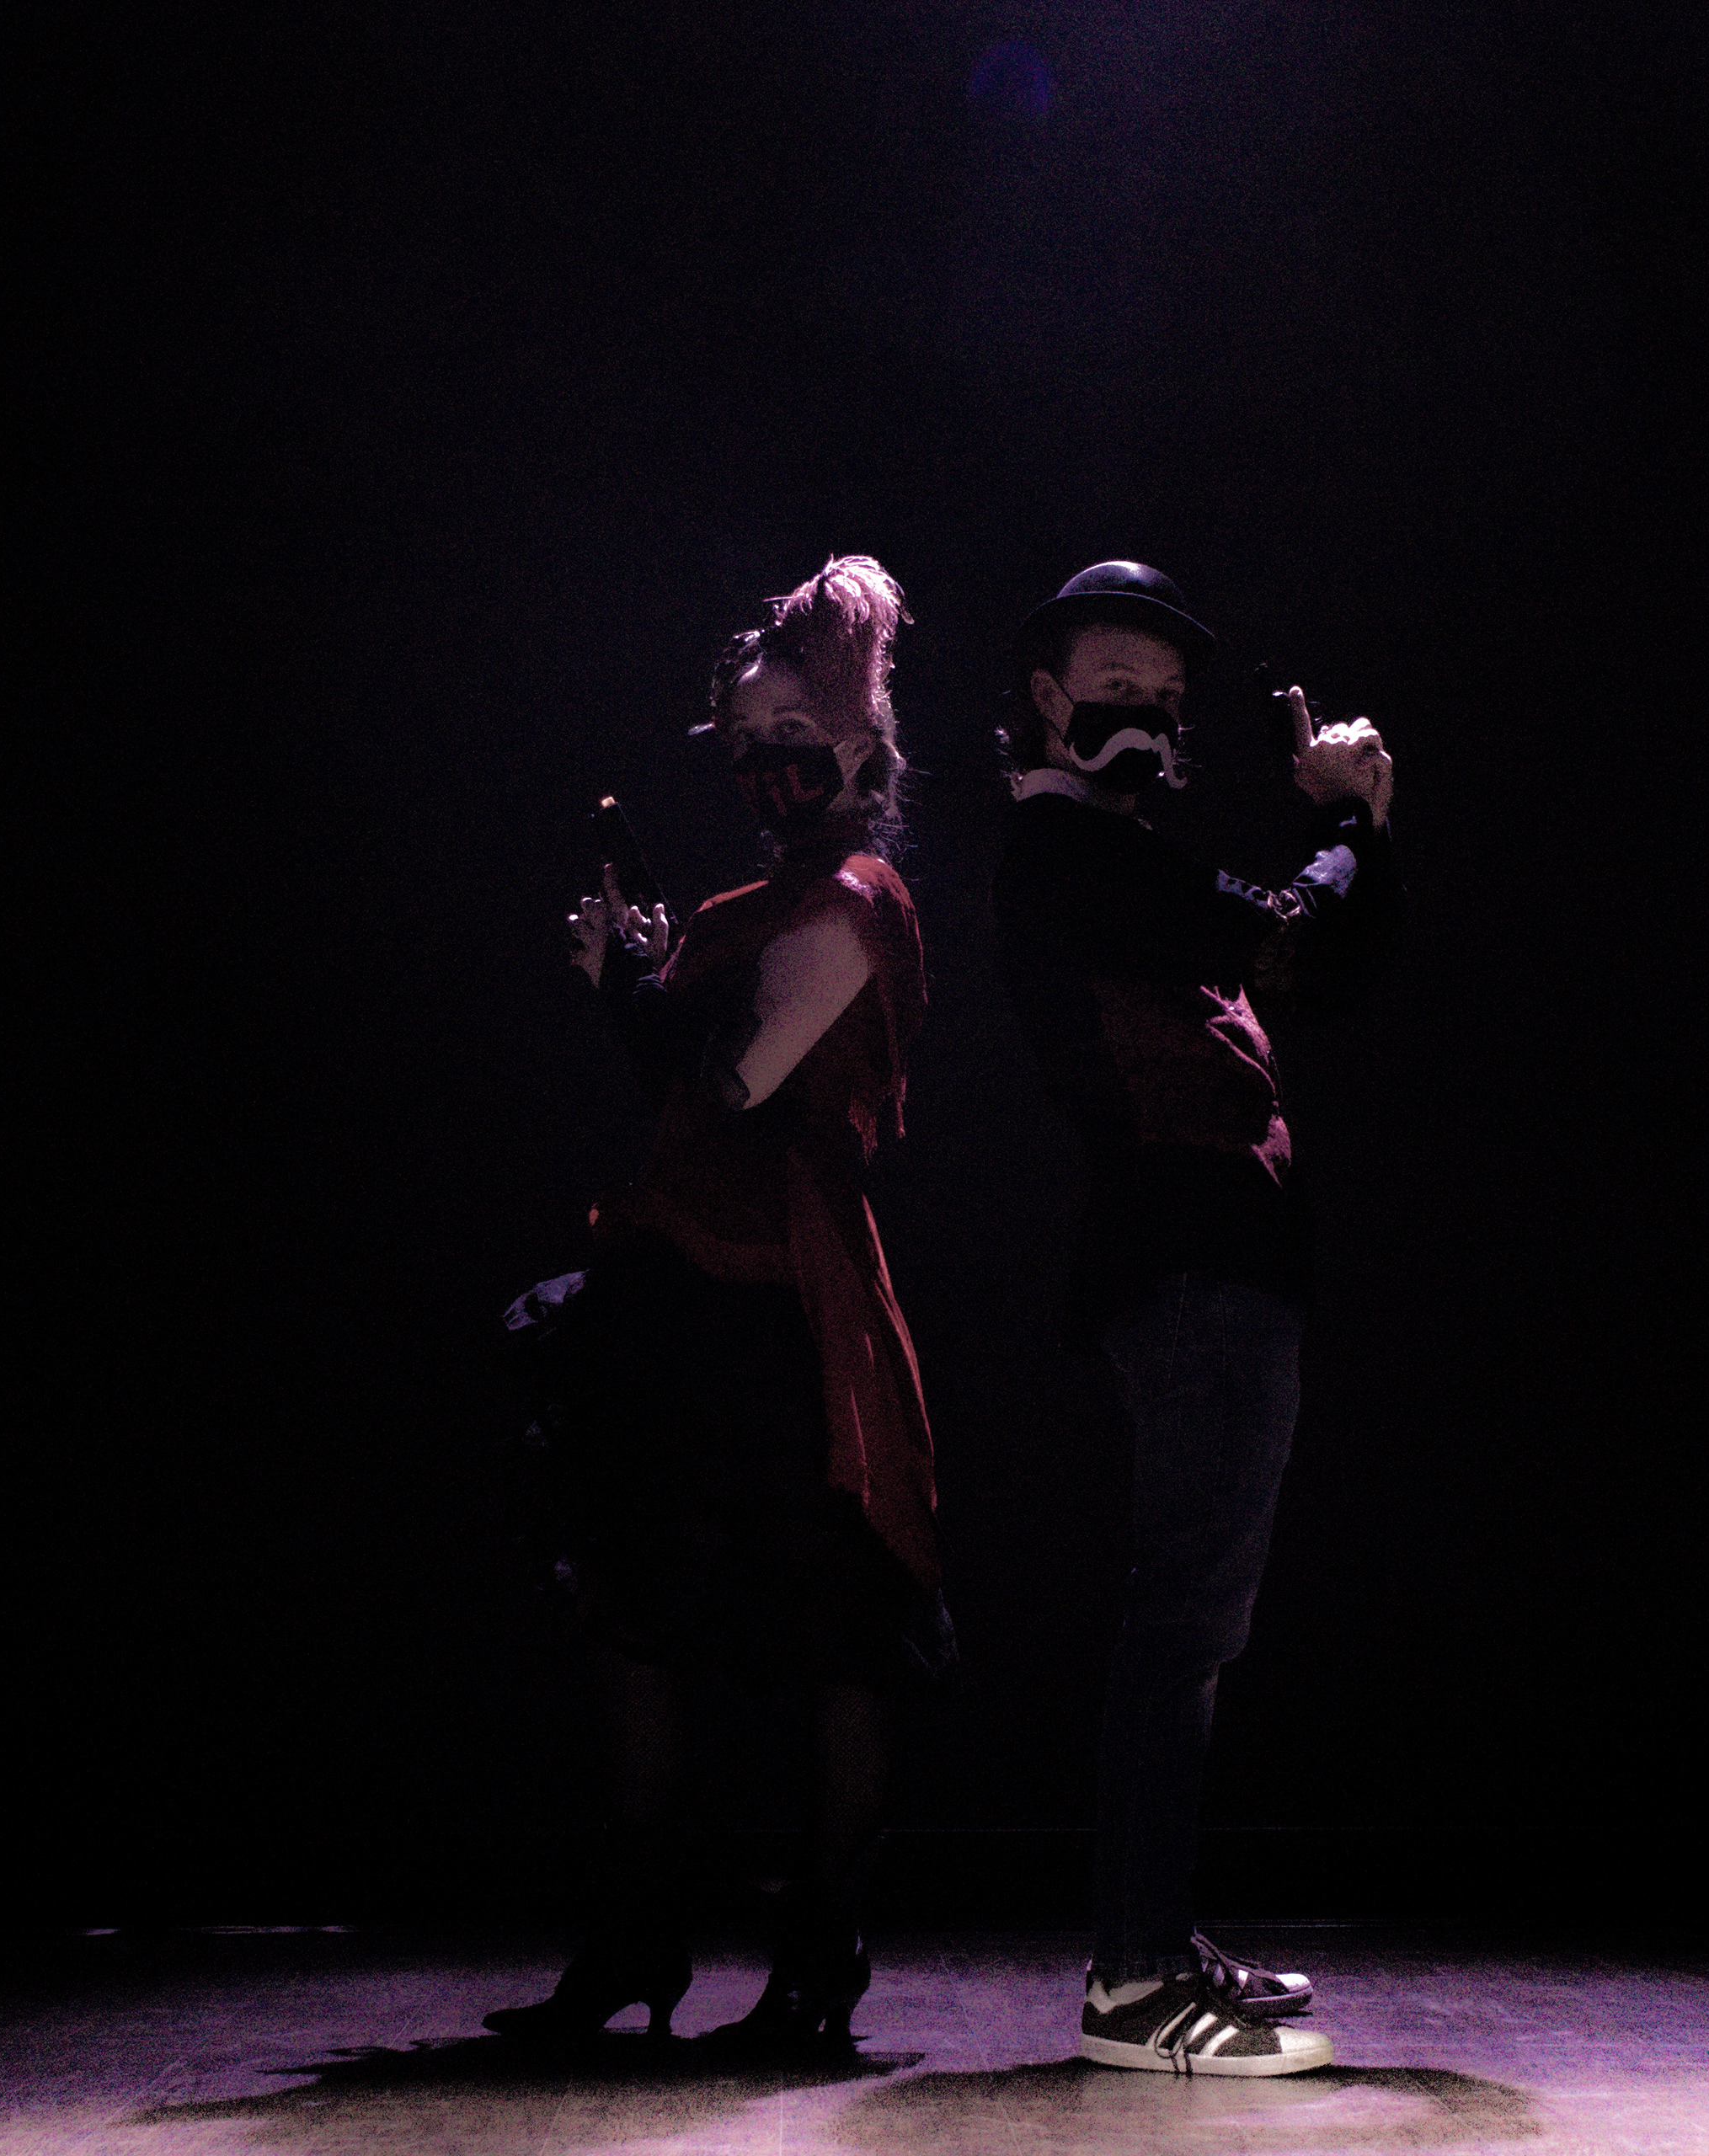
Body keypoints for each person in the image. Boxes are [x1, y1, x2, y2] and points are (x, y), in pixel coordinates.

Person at [486, 556, 953, 2052]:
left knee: (832, 1635)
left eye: (789, 732)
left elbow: (743, 1088)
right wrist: (633, 975)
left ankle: (819, 1961)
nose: (763, 761)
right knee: (635, 1616)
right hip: (679, 1283)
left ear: (862, 743)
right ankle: (636, 1939)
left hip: (787, 1303)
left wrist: (632, 988)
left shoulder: (862, 902)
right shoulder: (743, 902)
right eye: (743, 737)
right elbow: (685, 1092)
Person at [990, 561, 1401, 2077]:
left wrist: (1361, 831)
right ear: (1048, 696)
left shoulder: (1127, 855)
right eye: (1118, 684)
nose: (1148, 715)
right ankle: (1137, 1979)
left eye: (1167, 696)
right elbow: (1274, 932)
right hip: (1185, 1268)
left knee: (1199, 1624)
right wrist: (1344, 826)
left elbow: (1330, 968)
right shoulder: (1064, 849)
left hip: (1223, 1269)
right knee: (1180, 1622)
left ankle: (1157, 1932)